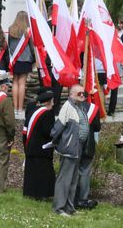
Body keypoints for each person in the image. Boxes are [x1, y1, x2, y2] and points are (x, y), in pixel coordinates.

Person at [51, 84, 87, 216]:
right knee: (64, 180)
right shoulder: (67, 107)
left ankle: (69, 208)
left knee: (73, 180)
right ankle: (59, 208)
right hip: (69, 148)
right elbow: (58, 128)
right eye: (79, 94)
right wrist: (57, 142)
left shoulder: (80, 107)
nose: (82, 96)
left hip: (77, 147)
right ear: (71, 94)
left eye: (83, 93)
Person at [22, 90, 56, 200]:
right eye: (52, 101)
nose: (53, 104)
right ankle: (42, 194)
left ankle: (30, 193)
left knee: (31, 172)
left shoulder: (32, 111)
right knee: (42, 172)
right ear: (48, 103)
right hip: (42, 148)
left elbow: (25, 130)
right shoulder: (47, 113)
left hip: (30, 146)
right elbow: (48, 131)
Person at [75, 96, 102, 210]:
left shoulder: (71, 108)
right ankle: (83, 198)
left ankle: (72, 196)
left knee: (73, 171)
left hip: (74, 145)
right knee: (85, 173)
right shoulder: (94, 109)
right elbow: (97, 128)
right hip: (88, 145)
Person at [7, 11, 34, 114]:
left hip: (14, 60)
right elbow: (31, 47)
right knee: (22, 83)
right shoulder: (28, 31)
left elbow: (9, 45)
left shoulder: (10, 29)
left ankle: (15, 109)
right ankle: (20, 108)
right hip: (26, 59)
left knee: (14, 83)